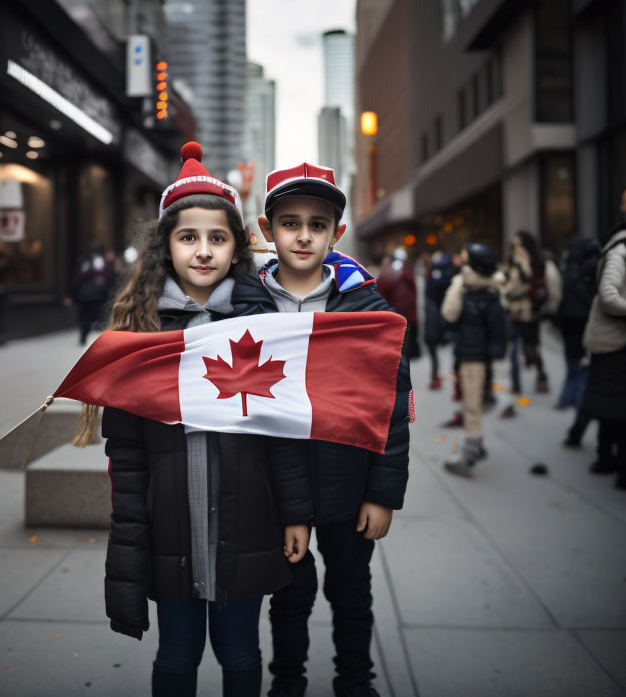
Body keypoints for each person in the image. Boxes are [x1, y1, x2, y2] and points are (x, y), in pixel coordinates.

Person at [75, 142, 313, 697]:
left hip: (249, 523)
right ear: (167, 248)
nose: (203, 250)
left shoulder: (265, 328)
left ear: (236, 249)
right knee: (177, 654)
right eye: (188, 237)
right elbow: (127, 453)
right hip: (171, 529)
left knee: (241, 652)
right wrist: (131, 531)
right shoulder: (142, 338)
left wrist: (296, 514)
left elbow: (284, 435)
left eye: (217, 237)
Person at [232, 162, 412, 697]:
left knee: (351, 590)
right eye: (290, 222)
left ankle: (354, 680)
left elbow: (392, 407)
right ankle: (287, 681)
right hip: (273, 483)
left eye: (317, 223)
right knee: (287, 593)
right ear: (267, 231)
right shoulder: (246, 305)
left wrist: (383, 493)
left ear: (336, 232)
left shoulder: (366, 309)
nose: (303, 235)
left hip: (348, 479)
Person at [441, 243, 507, 476]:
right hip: (471, 355)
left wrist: (458, 284)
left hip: (473, 358)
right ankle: (476, 445)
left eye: (466, 260)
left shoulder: (472, 290)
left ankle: (469, 452)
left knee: (471, 408)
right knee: (472, 403)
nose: (462, 263)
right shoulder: (484, 291)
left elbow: (449, 313)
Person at [581, 217, 626, 488]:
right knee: (616, 410)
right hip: (615, 344)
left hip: (613, 344)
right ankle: (613, 463)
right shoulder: (621, 252)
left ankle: (606, 459)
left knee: (611, 407)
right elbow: (608, 295)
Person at [502, 231, 560, 398]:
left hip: (529, 312)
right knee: (512, 350)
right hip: (513, 311)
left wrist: (546, 307)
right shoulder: (511, 261)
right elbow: (507, 283)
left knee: (531, 348)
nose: (516, 247)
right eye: (514, 245)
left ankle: (541, 374)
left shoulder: (537, 263)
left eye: (518, 244)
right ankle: (516, 385)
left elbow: (549, 286)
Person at [555, 236, 600, 446]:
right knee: (582, 371)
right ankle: (571, 403)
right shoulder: (590, 268)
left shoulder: (570, 268)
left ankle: (568, 402)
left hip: (573, 324)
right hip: (584, 324)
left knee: (576, 368)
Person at [68, 242, 118, 344]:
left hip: (85, 296)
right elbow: (110, 279)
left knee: (84, 317)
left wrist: (73, 294)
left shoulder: (87, 263)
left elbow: (78, 279)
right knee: (100, 318)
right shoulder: (105, 264)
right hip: (100, 296)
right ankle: (101, 342)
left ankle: (83, 337)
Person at [377, 248, 420, 359]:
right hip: (397, 310)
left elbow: (413, 285)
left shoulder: (406, 272)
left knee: (412, 333)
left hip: (410, 310)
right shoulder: (386, 275)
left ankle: (413, 352)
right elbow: (384, 290)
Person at [424, 252, 456, 390]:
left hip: (438, 316)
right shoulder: (440, 276)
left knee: (437, 346)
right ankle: (437, 375)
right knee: (435, 347)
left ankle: (438, 375)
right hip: (436, 316)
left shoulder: (440, 276)